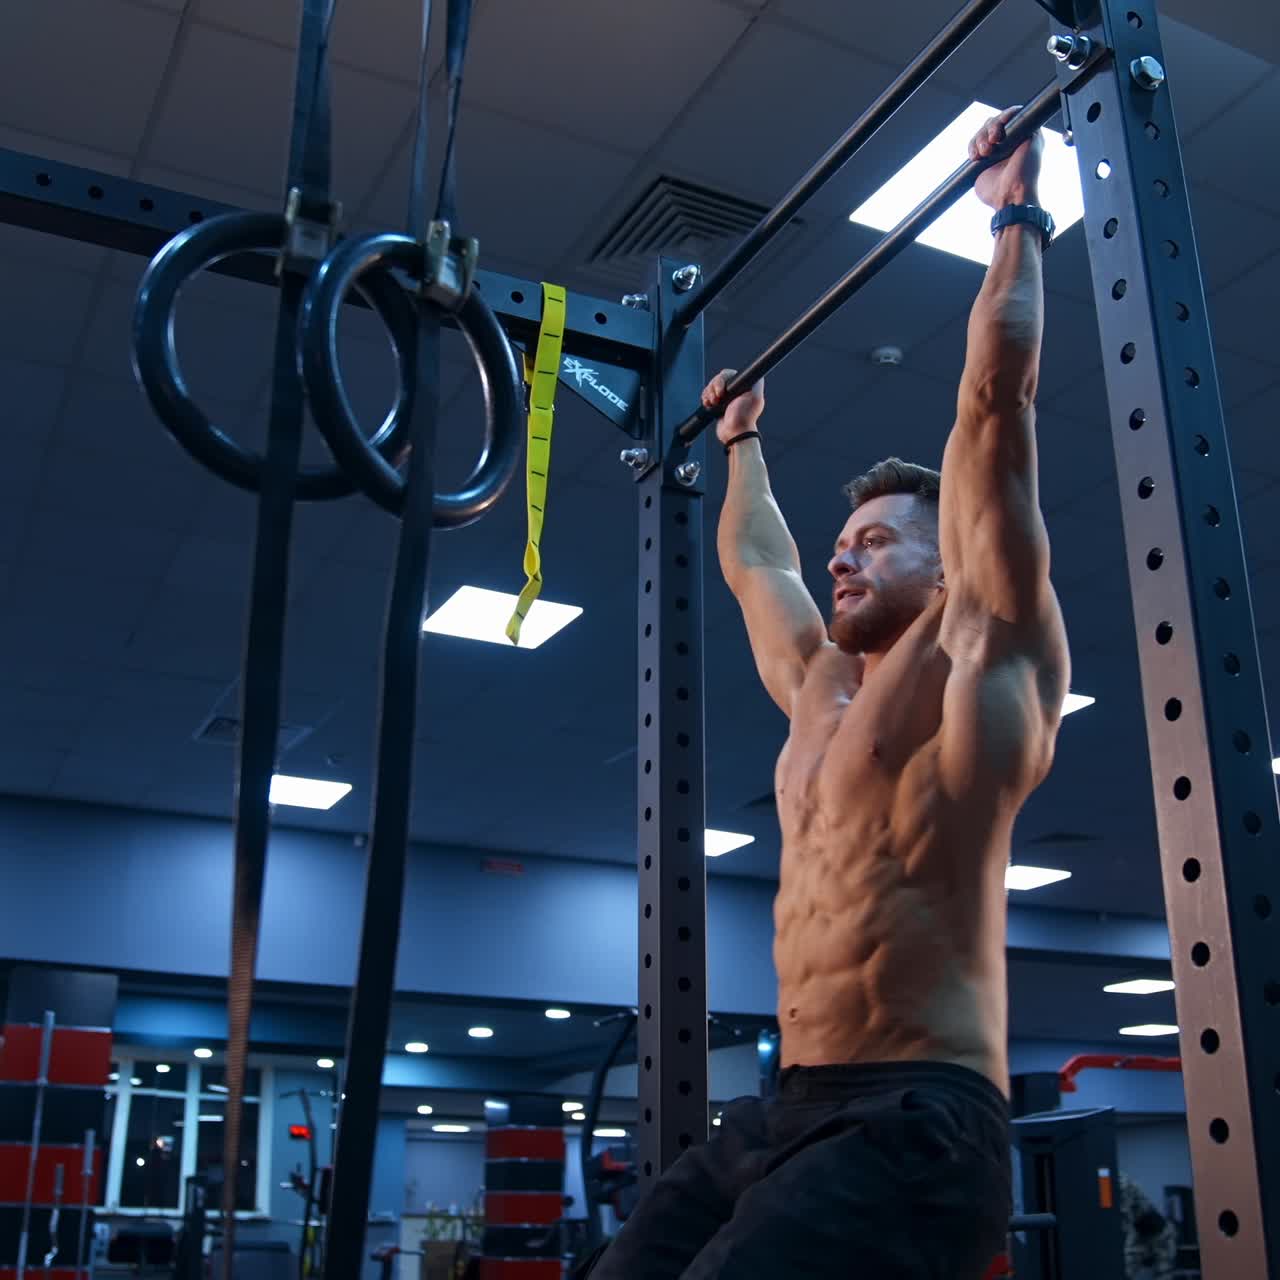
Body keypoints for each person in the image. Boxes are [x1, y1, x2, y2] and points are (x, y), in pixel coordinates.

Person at [586, 107, 1069, 1279]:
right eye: (840, 542)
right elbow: (758, 563)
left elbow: (991, 413)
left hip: (918, 1116)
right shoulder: (815, 691)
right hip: (792, 1105)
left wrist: (1012, 214)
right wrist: (740, 440)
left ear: (945, 560)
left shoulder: (980, 657)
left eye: (871, 541)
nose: (842, 558)